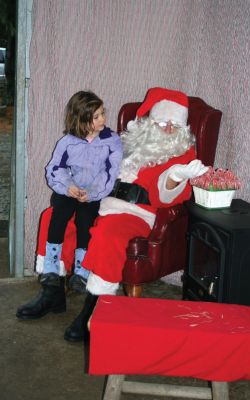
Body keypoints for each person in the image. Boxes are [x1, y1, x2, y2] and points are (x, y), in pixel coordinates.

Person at [17, 87, 208, 343]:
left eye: (175, 124)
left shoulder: (184, 153)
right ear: (150, 122)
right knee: (53, 216)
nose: (168, 129)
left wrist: (175, 177)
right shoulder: (129, 140)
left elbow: (166, 196)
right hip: (103, 199)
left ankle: (95, 306)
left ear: (183, 127)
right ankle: (53, 291)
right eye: (163, 122)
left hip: (137, 211)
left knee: (108, 232)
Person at [16, 90, 123, 319]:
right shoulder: (67, 142)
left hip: (93, 195)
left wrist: (92, 193)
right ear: (81, 119)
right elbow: (55, 169)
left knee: (86, 219)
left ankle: (81, 272)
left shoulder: (111, 141)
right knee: (57, 213)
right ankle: (52, 271)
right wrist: (68, 187)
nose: (103, 119)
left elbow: (111, 173)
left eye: (103, 113)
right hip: (69, 190)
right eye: (96, 116)